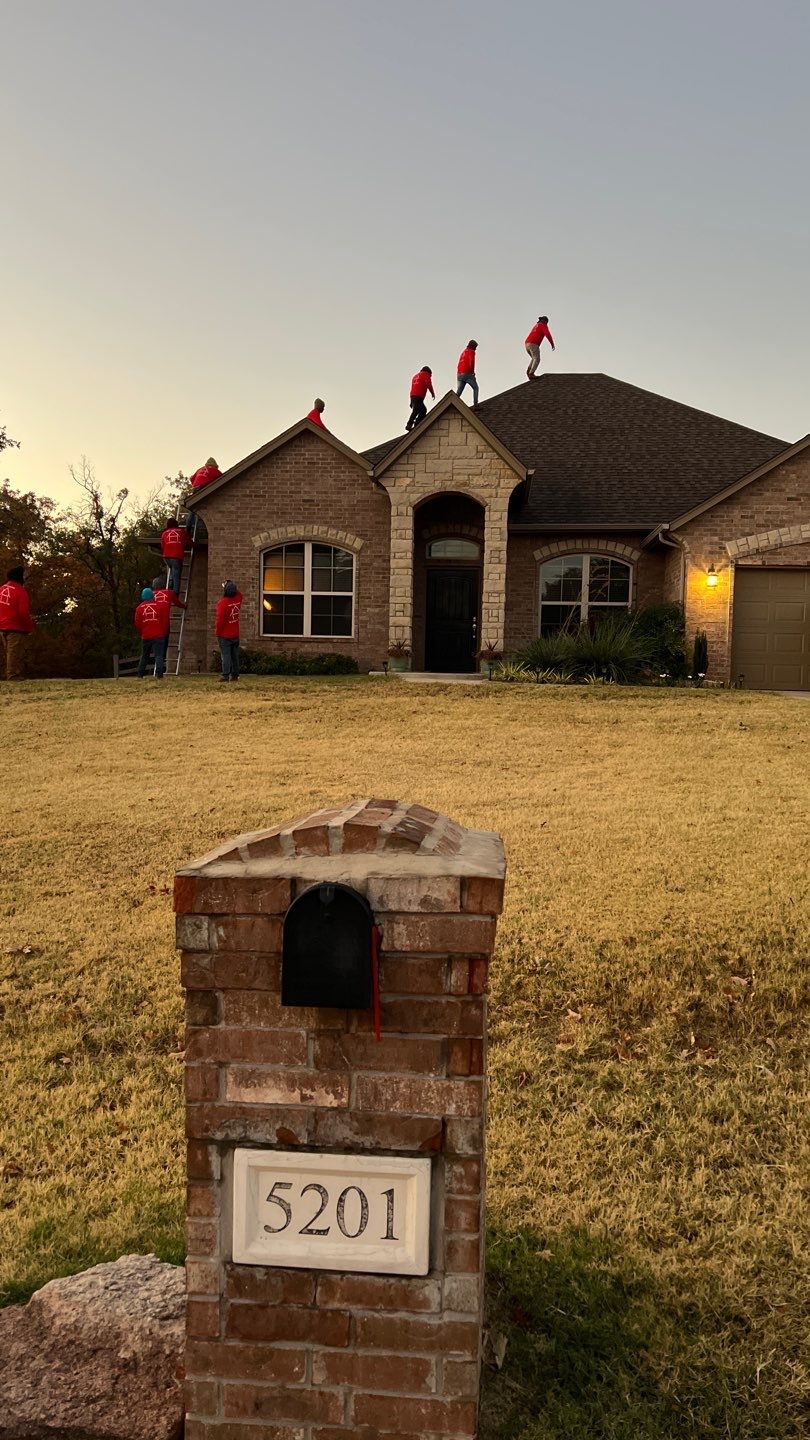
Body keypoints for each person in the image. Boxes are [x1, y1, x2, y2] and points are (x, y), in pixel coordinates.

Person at [0, 565, 34, 681]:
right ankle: (13, 675)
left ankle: (12, 674)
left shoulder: (1, 589)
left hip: (2, 626)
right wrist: (29, 627)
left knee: (9, 653)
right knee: (14, 653)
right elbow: (23, 613)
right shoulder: (20, 591)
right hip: (15, 626)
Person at [134, 587, 168, 679]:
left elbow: (137, 623)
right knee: (159, 655)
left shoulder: (139, 608)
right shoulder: (159, 606)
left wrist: (142, 632)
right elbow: (164, 621)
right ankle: (159, 675)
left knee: (144, 655)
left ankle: (140, 674)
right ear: (152, 596)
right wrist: (163, 632)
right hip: (158, 634)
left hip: (146, 635)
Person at [215, 580, 243, 683]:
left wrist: (217, 632)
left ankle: (225, 675)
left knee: (226, 655)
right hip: (235, 633)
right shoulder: (238, 598)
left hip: (224, 635)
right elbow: (239, 593)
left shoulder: (222, 603)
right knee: (234, 656)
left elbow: (219, 621)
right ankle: (235, 675)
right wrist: (232, 585)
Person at [159, 518, 193, 594]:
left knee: (173, 572)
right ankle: (175, 596)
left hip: (166, 557)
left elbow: (162, 546)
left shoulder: (164, 533)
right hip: (176, 556)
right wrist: (194, 545)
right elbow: (189, 542)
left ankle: (170, 588)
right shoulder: (182, 532)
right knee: (177, 576)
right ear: (176, 524)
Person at [406, 367, 435, 432]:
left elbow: (412, 389)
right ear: (429, 372)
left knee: (418, 410)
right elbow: (428, 384)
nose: (430, 377)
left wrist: (411, 401)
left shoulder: (415, 376)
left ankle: (412, 424)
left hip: (413, 396)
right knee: (422, 410)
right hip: (418, 396)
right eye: (430, 375)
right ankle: (414, 425)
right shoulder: (425, 374)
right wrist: (432, 393)